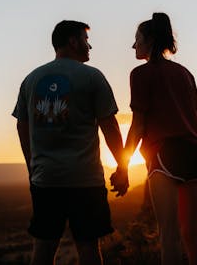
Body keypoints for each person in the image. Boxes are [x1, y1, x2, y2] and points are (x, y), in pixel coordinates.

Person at [12, 20, 127, 265]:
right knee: (88, 249)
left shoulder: (31, 79)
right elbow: (109, 126)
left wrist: (32, 166)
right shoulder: (93, 77)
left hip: (45, 179)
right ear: (73, 41)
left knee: (43, 248)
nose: (90, 46)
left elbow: (22, 126)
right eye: (86, 40)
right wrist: (122, 166)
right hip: (85, 180)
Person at [117, 13, 197, 265]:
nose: (134, 45)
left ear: (151, 40)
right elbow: (196, 121)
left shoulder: (140, 74)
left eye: (137, 39)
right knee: (190, 232)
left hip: (163, 154)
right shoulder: (185, 73)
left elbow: (138, 125)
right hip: (191, 154)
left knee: (168, 234)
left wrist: (124, 165)